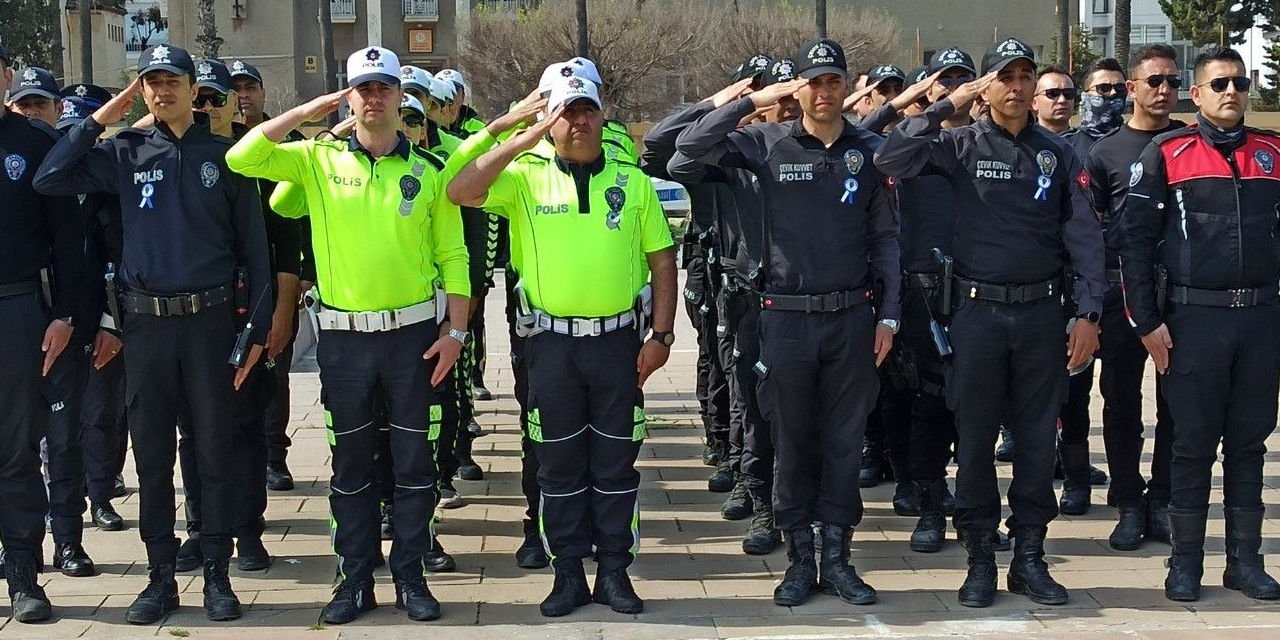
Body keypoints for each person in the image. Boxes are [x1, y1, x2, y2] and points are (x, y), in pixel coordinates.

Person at [226, 46, 470, 624]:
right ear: (349, 96)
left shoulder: (429, 172)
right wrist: (313, 110)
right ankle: (353, 580)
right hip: (344, 340)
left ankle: (410, 577)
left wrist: (456, 330)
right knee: (351, 467)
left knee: (414, 465)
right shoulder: (317, 160)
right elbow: (242, 156)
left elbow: (454, 256)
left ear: (399, 96)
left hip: (412, 336)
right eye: (363, 88)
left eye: (384, 88)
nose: (375, 98)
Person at [34, 44, 272, 624]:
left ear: (195, 89)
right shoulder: (126, 151)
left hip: (210, 323)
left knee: (212, 450)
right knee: (153, 455)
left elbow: (256, 256)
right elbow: (50, 176)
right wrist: (103, 116)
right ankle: (160, 576)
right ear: (141, 91)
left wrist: (257, 333)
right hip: (147, 326)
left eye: (173, 81)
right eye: (151, 83)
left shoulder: (226, 157)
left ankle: (217, 571)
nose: (163, 91)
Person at [876, 37, 1106, 609]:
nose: (1019, 85)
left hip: (1040, 317)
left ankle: (1029, 557)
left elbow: (1085, 237)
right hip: (977, 315)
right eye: (1005, 75)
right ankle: (979, 555)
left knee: (1033, 441)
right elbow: (891, 158)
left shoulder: (1058, 153)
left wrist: (1089, 312)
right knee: (975, 441)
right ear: (987, 86)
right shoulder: (958, 145)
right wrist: (946, 105)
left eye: (1027, 75)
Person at [679, 38, 900, 608]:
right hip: (785, 321)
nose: (824, 92)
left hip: (852, 317)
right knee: (792, 441)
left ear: (848, 86)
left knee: (845, 443)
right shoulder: (762, 143)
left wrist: (891, 315)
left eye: (833, 81)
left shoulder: (869, 150)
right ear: (796, 87)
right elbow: (687, 146)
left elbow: (885, 240)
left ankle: (839, 558)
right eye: (813, 81)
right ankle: (800, 559)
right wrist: (755, 98)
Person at [448, 75, 677, 618]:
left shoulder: (632, 181)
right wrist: (518, 137)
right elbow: (459, 190)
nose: (576, 123)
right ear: (549, 119)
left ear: (601, 116)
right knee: (558, 465)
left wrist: (662, 335)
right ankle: (568, 572)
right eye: (564, 113)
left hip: (617, 344)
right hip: (550, 345)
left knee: (616, 463)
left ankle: (616, 572)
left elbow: (663, 262)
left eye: (585, 112)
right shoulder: (523, 177)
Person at [1119, 45, 1280, 603]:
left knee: (1249, 444)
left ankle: (1245, 563)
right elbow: (1133, 245)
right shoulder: (1169, 153)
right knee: (1189, 445)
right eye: (1218, 84)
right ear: (1197, 92)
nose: (1231, 92)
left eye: (1238, 83)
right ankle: (1184, 564)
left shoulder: (1273, 153)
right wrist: (1146, 321)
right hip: (1193, 320)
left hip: (1260, 319)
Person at [169, 58, 303, 575]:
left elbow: (286, 245)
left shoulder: (262, 162)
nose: (207, 107)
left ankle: (248, 531)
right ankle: (202, 528)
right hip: (193, 319)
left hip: (250, 311)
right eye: (197, 97)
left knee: (245, 427)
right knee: (194, 431)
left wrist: (282, 314)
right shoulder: (177, 154)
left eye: (217, 98)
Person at [667, 57, 803, 556]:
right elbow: (674, 151)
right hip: (747, 297)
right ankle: (759, 496)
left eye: (791, 94)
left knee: (804, 414)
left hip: (805, 303)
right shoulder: (741, 155)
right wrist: (735, 102)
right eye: (775, 96)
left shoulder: (820, 150)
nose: (783, 105)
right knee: (751, 402)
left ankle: (805, 519)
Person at [1086, 44, 1183, 551]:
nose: (1163, 90)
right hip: (1122, 294)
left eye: (1171, 80)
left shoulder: (1191, 144)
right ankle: (1128, 500)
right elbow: (1093, 228)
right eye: (1153, 81)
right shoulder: (1105, 152)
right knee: (1120, 401)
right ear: (1132, 89)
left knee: (1176, 405)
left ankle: (1162, 499)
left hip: (1182, 297)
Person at [0, 45, 85, 624]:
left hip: (16, 310)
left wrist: (68, 314)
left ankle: (24, 574)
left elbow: (71, 240)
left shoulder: (35, 144)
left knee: (16, 451)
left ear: (4, 76)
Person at [231, 58, 311, 493]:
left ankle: (274, 455)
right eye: (235, 87)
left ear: (263, 92)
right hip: (229, 280)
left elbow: (303, 221)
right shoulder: (222, 146)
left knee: (274, 365)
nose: (243, 94)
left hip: (278, 272)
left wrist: (302, 276)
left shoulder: (289, 144)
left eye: (250, 86)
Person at [55, 84, 131, 537]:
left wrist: (112, 322)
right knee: (62, 422)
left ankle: (101, 495)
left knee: (105, 412)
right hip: (59, 318)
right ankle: (63, 501)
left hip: (106, 315)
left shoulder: (111, 188)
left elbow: (121, 258)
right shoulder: (49, 188)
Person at [1032, 65, 1076, 135]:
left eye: (1068, 93)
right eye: (1053, 93)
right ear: (1034, 103)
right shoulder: (1022, 143)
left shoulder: (1090, 142)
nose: (1062, 100)